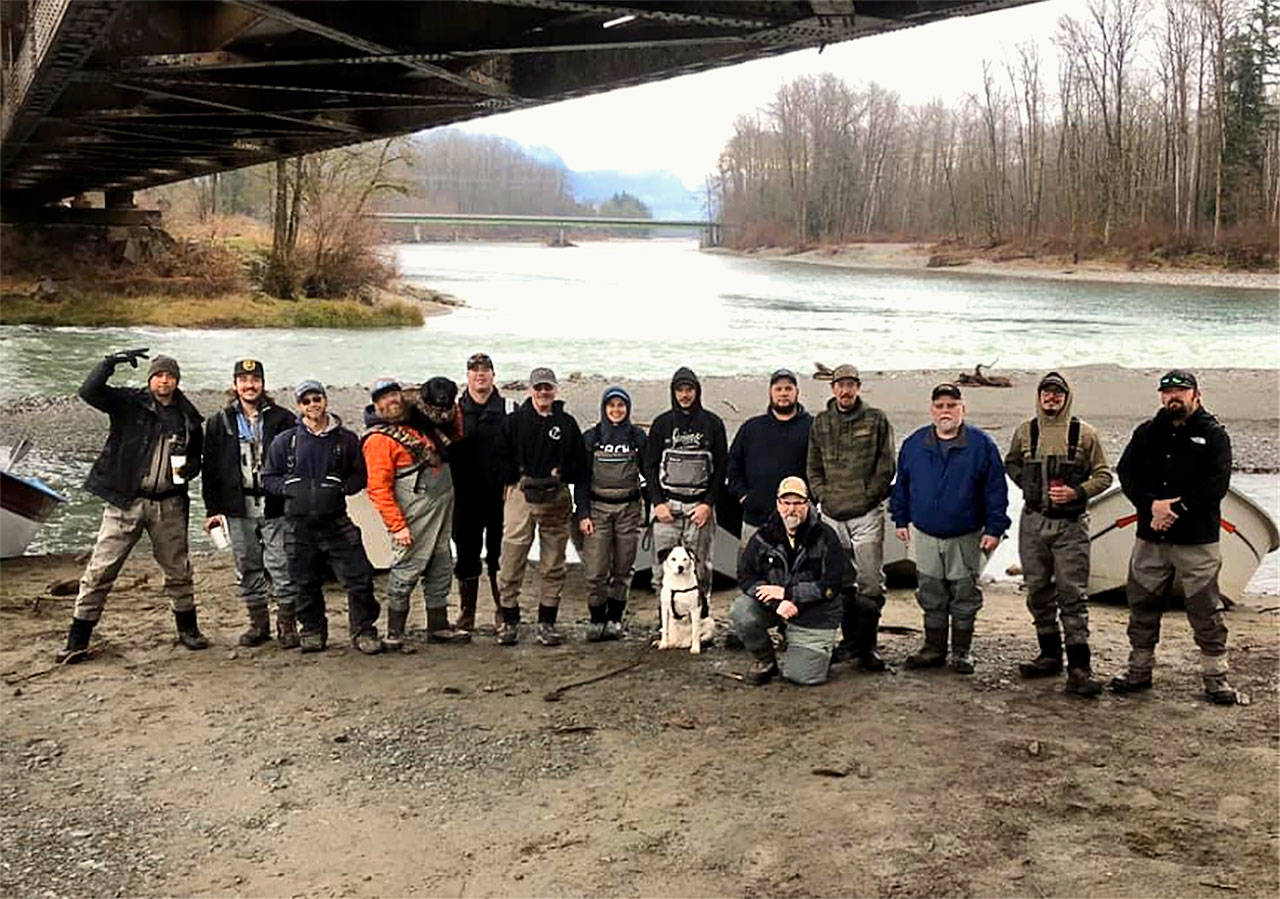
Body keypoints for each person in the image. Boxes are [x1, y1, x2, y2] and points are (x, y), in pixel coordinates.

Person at [57, 350, 208, 661]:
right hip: (125, 501)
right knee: (100, 570)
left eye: (170, 376)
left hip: (169, 504)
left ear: (177, 381)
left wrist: (189, 469)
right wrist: (108, 363)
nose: (164, 380)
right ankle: (77, 639)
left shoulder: (189, 418)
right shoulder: (129, 403)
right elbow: (89, 392)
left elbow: (196, 460)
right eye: (159, 375)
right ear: (150, 378)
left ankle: (188, 630)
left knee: (178, 570)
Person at [1110, 370, 1238, 704]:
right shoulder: (1148, 432)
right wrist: (1151, 506)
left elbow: (1216, 484)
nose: (1173, 398)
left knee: (1205, 610)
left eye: (1181, 391)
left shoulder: (1213, 435)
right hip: (1151, 537)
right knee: (1141, 605)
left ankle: (1215, 677)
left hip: (1196, 540)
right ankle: (1138, 671)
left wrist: (1175, 509)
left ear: (1196, 394)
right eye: (1167, 393)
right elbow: (1126, 473)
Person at [1004, 371, 1112, 696]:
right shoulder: (1025, 432)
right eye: (1046, 393)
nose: (1051, 398)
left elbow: (1104, 476)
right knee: (1037, 589)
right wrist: (1031, 487)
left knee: (1072, 595)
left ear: (1067, 398)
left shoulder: (1085, 434)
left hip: (1071, 526)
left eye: (1057, 394)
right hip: (1033, 523)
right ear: (1038, 397)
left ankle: (1080, 668)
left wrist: (1077, 492)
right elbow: (1010, 464)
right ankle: (1049, 655)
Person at [890, 383, 1009, 674]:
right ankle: (933, 648)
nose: (946, 411)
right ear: (932, 410)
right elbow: (901, 485)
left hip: (966, 535)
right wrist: (900, 518)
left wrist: (994, 528)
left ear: (962, 409)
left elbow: (996, 491)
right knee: (930, 592)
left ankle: (961, 651)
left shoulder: (982, 445)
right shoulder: (914, 444)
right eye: (940, 406)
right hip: (926, 534)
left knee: (965, 593)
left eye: (952, 406)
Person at [263, 380, 382, 655]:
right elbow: (268, 478)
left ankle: (364, 631)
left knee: (359, 577)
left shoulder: (346, 439)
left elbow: (360, 476)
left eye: (317, 399)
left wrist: (341, 487)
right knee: (305, 581)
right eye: (306, 401)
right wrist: (288, 488)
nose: (313, 405)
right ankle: (313, 631)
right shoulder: (285, 441)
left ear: (325, 401)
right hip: (298, 523)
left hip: (336, 521)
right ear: (299, 407)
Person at [361, 377, 469, 652]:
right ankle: (394, 632)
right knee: (406, 571)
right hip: (412, 518)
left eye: (394, 395)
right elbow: (378, 489)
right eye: (383, 398)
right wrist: (397, 526)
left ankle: (438, 625)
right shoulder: (378, 441)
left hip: (441, 512)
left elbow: (457, 434)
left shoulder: (423, 424)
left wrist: (445, 402)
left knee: (441, 567)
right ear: (376, 406)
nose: (391, 401)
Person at [201, 359, 299, 648]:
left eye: (255, 379)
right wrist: (212, 510)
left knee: (281, 564)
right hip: (237, 506)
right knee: (246, 565)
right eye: (243, 379)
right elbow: (210, 472)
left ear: (263, 383)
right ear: (234, 385)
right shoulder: (220, 422)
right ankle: (259, 625)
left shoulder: (283, 419)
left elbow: (296, 463)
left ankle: (287, 625)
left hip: (275, 505)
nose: (249, 384)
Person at [806, 363, 896, 672]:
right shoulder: (820, 423)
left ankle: (867, 646)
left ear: (859, 387)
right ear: (832, 388)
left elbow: (887, 465)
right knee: (841, 582)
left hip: (866, 514)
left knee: (870, 582)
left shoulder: (876, 420)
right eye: (839, 385)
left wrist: (870, 496)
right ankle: (849, 642)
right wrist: (821, 496)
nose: (845, 390)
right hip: (831, 516)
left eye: (851, 384)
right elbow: (813, 467)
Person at [495, 367, 588, 646]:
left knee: (553, 562)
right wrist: (515, 476)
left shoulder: (568, 423)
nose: (543, 392)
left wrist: (562, 473)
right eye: (538, 388)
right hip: (521, 494)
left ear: (555, 390)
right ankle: (509, 620)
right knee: (512, 556)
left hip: (556, 496)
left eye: (548, 387)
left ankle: (547, 623)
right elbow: (499, 457)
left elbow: (580, 465)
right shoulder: (514, 421)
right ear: (530, 390)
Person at [730, 477, 850, 686]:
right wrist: (778, 603)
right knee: (741, 610)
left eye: (797, 503)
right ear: (778, 504)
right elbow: (746, 576)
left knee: (803, 677)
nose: (791, 509)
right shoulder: (763, 536)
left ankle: (814, 650)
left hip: (815, 612)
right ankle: (765, 660)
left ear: (808, 505)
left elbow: (832, 584)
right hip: (776, 606)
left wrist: (790, 594)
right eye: (786, 503)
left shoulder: (826, 536)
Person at [642, 367, 728, 599]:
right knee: (662, 570)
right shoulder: (661, 424)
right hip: (667, 507)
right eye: (679, 390)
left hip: (699, 509)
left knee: (699, 569)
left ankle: (700, 623)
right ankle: (665, 625)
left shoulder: (713, 423)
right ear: (673, 392)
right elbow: (649, 467)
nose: (684, 395)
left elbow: (721, 468)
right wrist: (657, 503)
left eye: (689, 389)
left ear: (697, 391)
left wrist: (708, 505)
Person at [575, 386, 647, 641]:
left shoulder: (637, 437)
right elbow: (581, 480)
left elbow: (648, 475)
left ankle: (616, 617)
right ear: (604, 409)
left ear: (627, 409)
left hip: (629, 509)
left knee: (623, 567)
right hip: (597, 510)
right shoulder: (591, 437)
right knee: (596, 570)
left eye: (621, 406)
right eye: (611, 406)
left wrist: (651, 508)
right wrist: (582, 513)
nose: (616, 410)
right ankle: (596, 618)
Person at [452, 351, 512, 631]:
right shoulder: (454, 412)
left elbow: (520, 449)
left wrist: (513, 483)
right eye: (475, 370)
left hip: (500, 496)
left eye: (485, 369)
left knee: (499, 554)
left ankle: (502, 609)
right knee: (466, 554)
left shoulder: (509, 408)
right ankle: (467, 612)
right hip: (464, 496)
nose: (480, 374)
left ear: (493, 375)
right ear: (467, 376)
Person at [727, 368, 811, 549]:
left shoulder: (812, 427)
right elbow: (733, 466)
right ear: (770, 393)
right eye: (778, 389)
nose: (783, 394)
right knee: (749, 573)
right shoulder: (751, 428)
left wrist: (812, 500)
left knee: (801, 574)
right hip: (756, 519)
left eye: (788, 389)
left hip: (799, 520)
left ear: (797, 392)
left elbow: (823, 468)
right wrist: (744, 496)